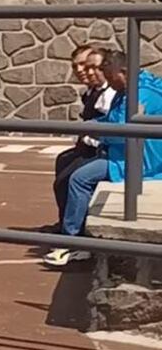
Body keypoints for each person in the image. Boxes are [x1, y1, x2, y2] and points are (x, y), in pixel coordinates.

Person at [43, 51, 162, 267]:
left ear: (124, 72)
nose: (109, 82)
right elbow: (113, 120)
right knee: (71, 167)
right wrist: (93, 125)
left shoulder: (141, 94)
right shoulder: (127, 89)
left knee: (80, 177)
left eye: (111, 76)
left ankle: (72, 242)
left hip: (142, 161)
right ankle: (72, 232)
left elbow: (125, 132)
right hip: (125, 154)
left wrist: (97, 132)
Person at [49, 46, 115, 231]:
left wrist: (89, 135)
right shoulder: (91, 92)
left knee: (73, 178)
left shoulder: (109, 94)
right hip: (90, 146)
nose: (82, 71)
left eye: (86, 66)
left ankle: (73, 233)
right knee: (63, 161)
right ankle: (66, 222)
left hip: (104, 150)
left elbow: (109, 125)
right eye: (76, 66)